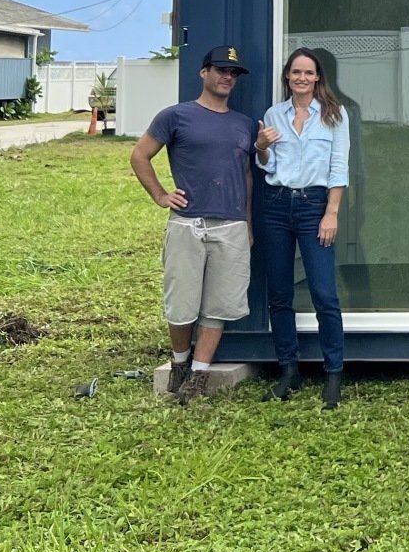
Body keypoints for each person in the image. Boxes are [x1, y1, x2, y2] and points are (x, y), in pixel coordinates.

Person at [130, 45, 257, 407]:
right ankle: (180, 363)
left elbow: (247, 175)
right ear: (204, 73)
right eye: (221, 70)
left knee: (218, 306)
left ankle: (199, 374)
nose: (227, 77)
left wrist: (247, 221)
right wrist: (160, 195)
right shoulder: (176, 116)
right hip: (188, 224)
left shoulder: (245, 124)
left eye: (233, 73)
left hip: (231, 226)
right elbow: (140, 155)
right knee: (181, 303)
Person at [254, 47, 350, 409]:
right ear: (287, 76)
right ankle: (289, 371)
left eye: (309, 73)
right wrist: (261, 147)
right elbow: (267, 164)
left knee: (324, 294)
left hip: (314, 207)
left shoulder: (334, 114)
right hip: (276, 206)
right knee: (280, 294)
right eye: (296, 72)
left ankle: (333, 374)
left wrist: (331, 213)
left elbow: (339, 167)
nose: (302, 78)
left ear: (318, 77)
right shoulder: (273, 114)